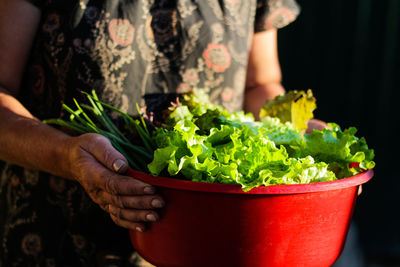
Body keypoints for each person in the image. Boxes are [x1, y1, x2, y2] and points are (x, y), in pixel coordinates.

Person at [0, 0, 304, 266]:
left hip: (209, 240)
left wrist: (301, 136)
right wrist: (66, 156)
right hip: (60, 234)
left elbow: (259, 83)